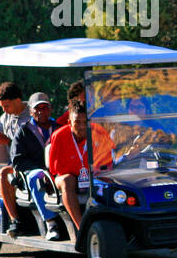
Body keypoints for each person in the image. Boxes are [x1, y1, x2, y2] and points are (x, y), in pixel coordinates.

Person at [48, 98, 114, 239]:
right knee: (67, 181)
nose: (82, 127)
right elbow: (56, 169)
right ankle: (82, 229)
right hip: (68, 176)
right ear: (69, 122)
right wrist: (79, 172)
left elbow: (107, 164)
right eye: (77, 122)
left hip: (92, 175)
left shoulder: (100, 133)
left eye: (86, 122)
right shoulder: (59, 136)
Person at [8, 93, 61, 240]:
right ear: (30, 111)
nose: (40, 111)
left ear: (50, 109)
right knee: (37, 177)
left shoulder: (60, 128)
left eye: (44, 107)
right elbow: (18, 160)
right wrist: (42, 169)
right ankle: (51, 224)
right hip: (36, 172)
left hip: (58, 170)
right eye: (37, 108)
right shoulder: (23, 131)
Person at [0, 82, 28, 236]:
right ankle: (14, 218)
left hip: (28, 162)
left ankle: (15, 220)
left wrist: (8, 141)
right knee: (4, 173)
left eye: (7, 106)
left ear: (18, 101)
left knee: (3, 174)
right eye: (2, 106)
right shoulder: (7, 116)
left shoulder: (31, 116)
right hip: (14, 163)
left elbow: (30, 145)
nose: (4, 110)